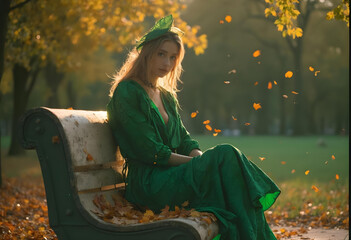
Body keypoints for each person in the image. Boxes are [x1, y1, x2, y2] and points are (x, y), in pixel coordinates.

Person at [107, 15, 280, 240]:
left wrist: (200, 159)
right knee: (225, 155)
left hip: (171, 176)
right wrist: (200, 164)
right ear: (147, 53)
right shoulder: (128, 92)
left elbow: (186, 140)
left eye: (172, 57)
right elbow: (151, 152)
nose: (167, 64)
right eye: (161, 54)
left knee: (224, 160)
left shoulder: (165, 96)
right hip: (149, 184)